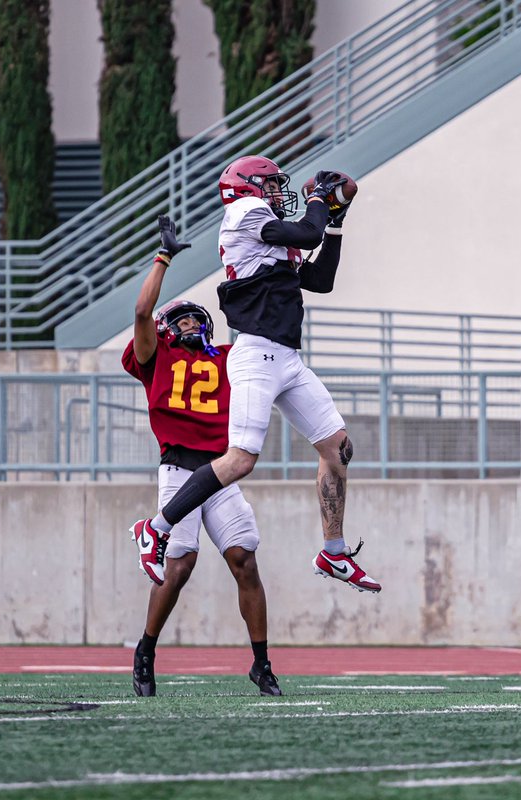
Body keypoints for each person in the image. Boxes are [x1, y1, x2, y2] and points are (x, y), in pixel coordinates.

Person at [131, 156, 381, 596]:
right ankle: (155, 528)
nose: (277, 194)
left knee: (337, 447)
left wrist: (335, 221)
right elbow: (307, 230)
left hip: (285, 356)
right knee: (241, 459)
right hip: (257, 352)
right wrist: (321, 200)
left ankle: (334, 550)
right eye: (270, 185)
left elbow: (321, 279)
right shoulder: (244, 213)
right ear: (248, 187)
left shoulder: (267, 238)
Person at [122, 215, 281, 698]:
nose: (191, 323)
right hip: (179, 466)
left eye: (197, 318)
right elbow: (143, 312)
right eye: (183, 318)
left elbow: (266, 347)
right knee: (180, 566)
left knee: (244, 561)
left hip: (220, 471)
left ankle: (261, 664)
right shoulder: (159, 354)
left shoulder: (227, 357)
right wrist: (163, 258)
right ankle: (146, 651)